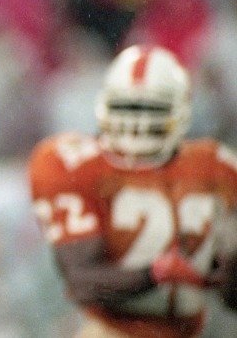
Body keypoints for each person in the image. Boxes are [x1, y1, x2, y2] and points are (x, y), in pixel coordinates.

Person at [28, 44, 237, 337]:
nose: (138, 122)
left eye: (152, 108)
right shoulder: (72, 165)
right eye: (127, 107)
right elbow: (82, 282)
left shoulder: (218, 167)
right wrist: (157, 272)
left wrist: (228, 271)